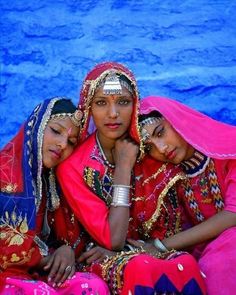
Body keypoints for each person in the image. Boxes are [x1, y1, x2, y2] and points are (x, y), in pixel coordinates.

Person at [57, 62, 206, 294]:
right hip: (98, 256)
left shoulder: (151, 148)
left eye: (123, 102)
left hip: (151, 248)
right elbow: (113, 239)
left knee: (185, 263)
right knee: (139, 266)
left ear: (135, 103)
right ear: (88, 108)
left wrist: (145, 248)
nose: (113, 114)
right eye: (101, 103)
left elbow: (170, 226)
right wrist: (124, 167)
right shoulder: (73, 168)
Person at [0, 97, 109, 294]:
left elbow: (64, 239)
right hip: (6, 276)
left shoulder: (53, 183)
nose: (61, 144)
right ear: (36, 126)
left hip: (37, 274)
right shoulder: (4, 172)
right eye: (56, 131)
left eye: (71, 142)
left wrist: (65, 251)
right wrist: (48, 258)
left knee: (92, 286)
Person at [137, 95, 236, 295]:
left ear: (176, 119)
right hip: (207, 252)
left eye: (161, 132)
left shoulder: (228, 149)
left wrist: (160, 246)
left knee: (218, 264)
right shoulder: (170, 178)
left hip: (224, 255)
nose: (162, 148)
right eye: (149, 148)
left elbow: (233, 214)